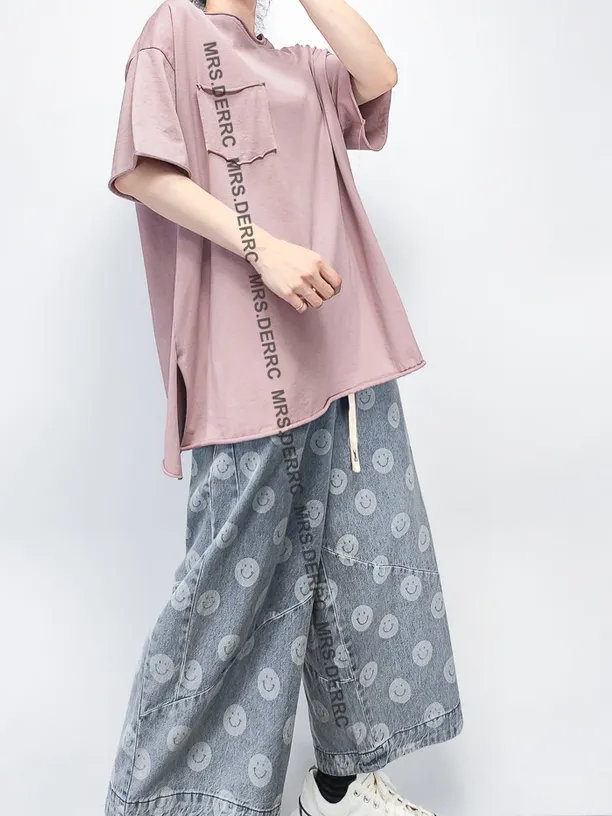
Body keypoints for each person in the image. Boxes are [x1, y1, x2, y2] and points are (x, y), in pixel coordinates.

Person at [104, 1, 464, 816]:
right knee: (228, 602)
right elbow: (141, 171)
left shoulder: (297, 64)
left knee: (366, 568)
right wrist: (261, 246)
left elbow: (377, 74)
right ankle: (169, 804)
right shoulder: (175, 30)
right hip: (244, 370)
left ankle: (339, 785)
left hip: (343, 363)